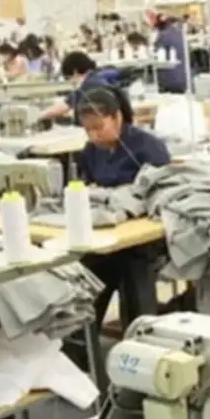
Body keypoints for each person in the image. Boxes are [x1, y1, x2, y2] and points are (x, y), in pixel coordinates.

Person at [74, 87, 171, 326]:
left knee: (132, 266)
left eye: (98, 127)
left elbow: (164, 195)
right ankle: (83, 342)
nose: (93, 136)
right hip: (108, 235)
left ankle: (141, 334)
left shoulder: (149, 147)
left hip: (146, 239)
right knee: (83, 274)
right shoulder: (91, 152)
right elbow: (87, 187)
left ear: (117, 117)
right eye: (88, 130)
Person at [37, 51, 122, 122]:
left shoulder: (89, 84)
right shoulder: (100, 75)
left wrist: (38, 116)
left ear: (75, 71)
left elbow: (65, 106)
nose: (71, 81)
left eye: (69, 77)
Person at [152, 16, 188, 94]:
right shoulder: (182, 34)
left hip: (169, 78)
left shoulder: (163, 35)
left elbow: (155, 51)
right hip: (185, 77)